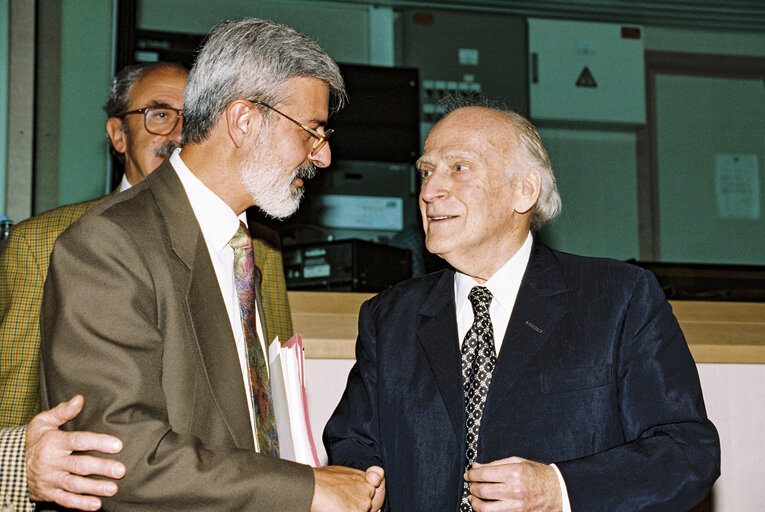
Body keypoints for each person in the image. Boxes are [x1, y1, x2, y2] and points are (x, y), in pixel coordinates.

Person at [40, 18, 384, 512]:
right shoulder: (109, 243)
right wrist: (308, 490)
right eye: (311, 131)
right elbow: (118, 456)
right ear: (244, 121)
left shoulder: (242, 244)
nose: (323, 156)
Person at [324, 99, 720, 511]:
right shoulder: (388, 318)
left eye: (458, 168)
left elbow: (687, 452)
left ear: (524, 190)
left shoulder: (618, 298)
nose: (429, 191)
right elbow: (354, 441)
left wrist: (559, 488)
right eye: (426, 171)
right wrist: (363, 480)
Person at [1, 59, 295, 510]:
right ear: (118, 135)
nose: (177, 133)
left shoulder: (260, 246)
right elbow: (14, 396)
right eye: (158, 115)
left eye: (190, 117)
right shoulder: (43, 242)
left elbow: (267, 391)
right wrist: (20, 477)